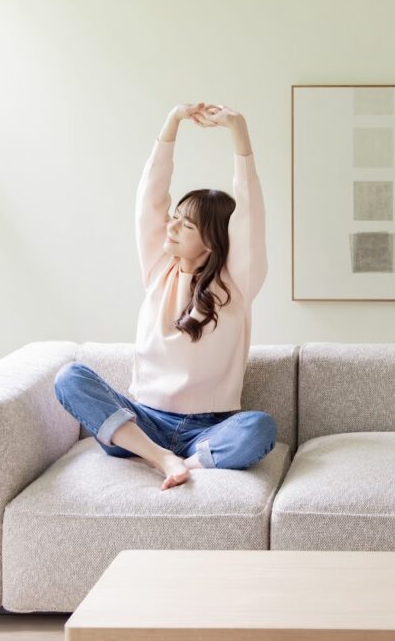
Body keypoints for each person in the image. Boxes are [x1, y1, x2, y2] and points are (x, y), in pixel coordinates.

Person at [53, 102, 274, 491]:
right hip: (142, 422)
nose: (170, 226)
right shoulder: (159, 271)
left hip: (207, 430)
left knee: (259, 427)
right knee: (70, 377)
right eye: (174, 217)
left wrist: (238, 130)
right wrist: (172, 122)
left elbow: (250, 212)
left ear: (212, 241)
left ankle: (183, 462)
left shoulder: (236, 285)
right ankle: (160, 458)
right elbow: (150, 199)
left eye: (185, 225)